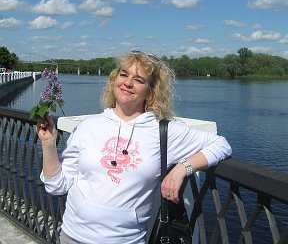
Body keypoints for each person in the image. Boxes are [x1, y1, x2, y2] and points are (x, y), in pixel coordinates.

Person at [37, 51, 232, 244]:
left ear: (151, 90)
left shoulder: (163, 131)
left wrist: (182, 169)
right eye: (123, 75)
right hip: (72, 236)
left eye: (139, 80)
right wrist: (48, 145)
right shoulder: (89, 127)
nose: (128, 83)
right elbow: (57, 186)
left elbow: (221, 144)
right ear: (114, 80)